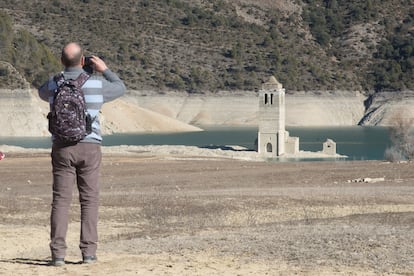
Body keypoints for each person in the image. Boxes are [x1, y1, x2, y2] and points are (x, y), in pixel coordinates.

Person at [38, 42, 126, 266]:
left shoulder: (54, 83)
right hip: (90, 146)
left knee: (60, 200)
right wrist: (104, 69)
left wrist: (60, 73)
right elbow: (120, 87)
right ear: (83, 60)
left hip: (61, 147)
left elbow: (40, 91)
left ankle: (58, 254)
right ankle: (88, 253)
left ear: (61, 61)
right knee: (89, 200)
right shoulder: (96, 83)